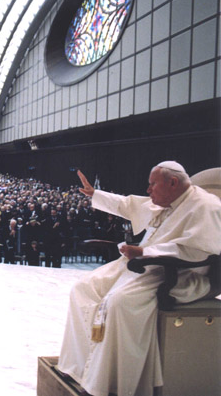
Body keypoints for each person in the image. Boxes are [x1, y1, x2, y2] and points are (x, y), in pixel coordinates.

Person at [58, 162, 221, 396]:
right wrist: (95, 194)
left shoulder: (205, 206)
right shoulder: (170, 199)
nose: (148, 190)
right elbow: (129, 204)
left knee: (120, 302)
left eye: (152, 184)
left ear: (173, 183)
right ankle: (80, 368)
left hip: (178, 273)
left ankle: (112, 384)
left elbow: (198, 251)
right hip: (144, 264)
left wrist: (145, 252)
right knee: (83, 288)